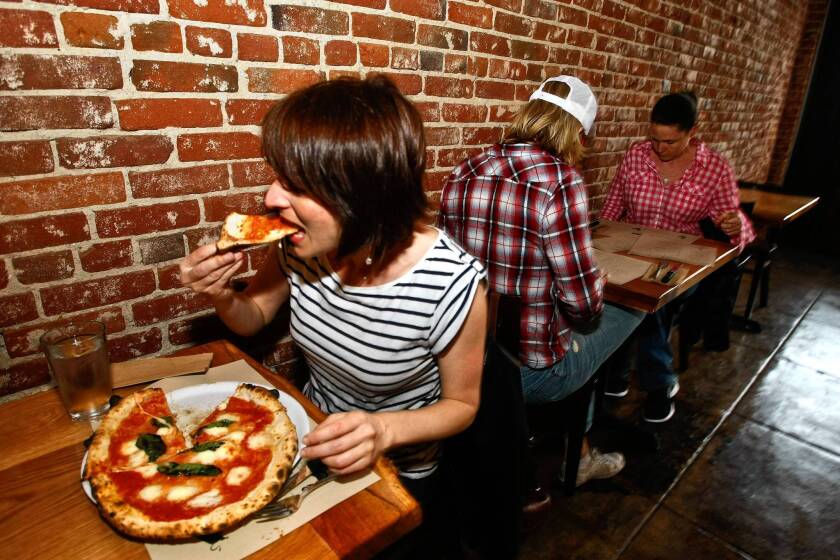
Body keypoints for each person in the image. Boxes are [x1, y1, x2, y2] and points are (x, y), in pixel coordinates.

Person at [179, 76, 487, 556]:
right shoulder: (300, 246)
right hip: (312, 441)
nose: (271, 199)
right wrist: (223, 295)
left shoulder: (454, 284)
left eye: (296, 185)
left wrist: (382, 429)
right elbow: (254, 316)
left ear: (363, 195)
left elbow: (463, 407)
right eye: (277, 176)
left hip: (399, 473)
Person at [438, 76, 643, 488]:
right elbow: (582, 305)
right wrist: (594, 284)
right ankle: (586, 439)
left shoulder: (466, 168)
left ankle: (578, 440)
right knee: (636, 308)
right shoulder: (561, 183)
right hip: (530, 370)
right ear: (578, 134)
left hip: (464, 358)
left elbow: (446, 266)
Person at [599, 91, 755, 422]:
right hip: (632, 250)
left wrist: (732, 223)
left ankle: (659, 384)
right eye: (654, 139)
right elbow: (614, 204)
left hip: (679, 260)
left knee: (652, 303)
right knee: (608, 293)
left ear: (692, 131)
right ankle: (616, 372)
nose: (659, 148)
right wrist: (597, 241)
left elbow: (739, 227)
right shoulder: (636, 156)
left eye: (669, 141)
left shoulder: (713, 168)